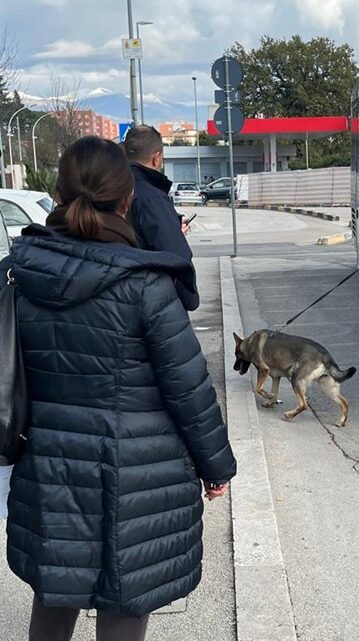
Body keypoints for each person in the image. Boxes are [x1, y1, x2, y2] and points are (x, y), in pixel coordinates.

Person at [1, 136, 237, 641]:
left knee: (54, 594)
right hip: (139, 471)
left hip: (50, 466)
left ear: (58, 195)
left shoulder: (19, 274)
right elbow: (189, 390)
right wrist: (216, 467)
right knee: (126, 602)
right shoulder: (145, 286)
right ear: (128, 199)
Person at [123, 125, 199, 311]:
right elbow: (176, 256)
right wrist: (190, 297)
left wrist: (171, 227)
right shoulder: (152, 198)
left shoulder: (114, 188)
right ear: (156, 157)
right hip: (153, 303)